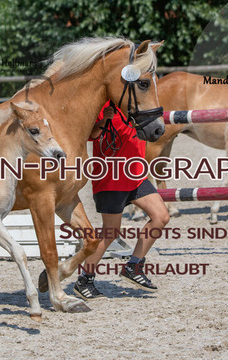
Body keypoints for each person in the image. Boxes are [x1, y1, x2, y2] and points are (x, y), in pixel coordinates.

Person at [73, 100, 170, 300]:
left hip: (136, 174)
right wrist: (103, 122)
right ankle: (85, 279)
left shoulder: (136, 103)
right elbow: (90, 135)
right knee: (110, 232)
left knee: (161, 217)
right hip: (112, 176)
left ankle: (134, 266)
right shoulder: (103, 104)